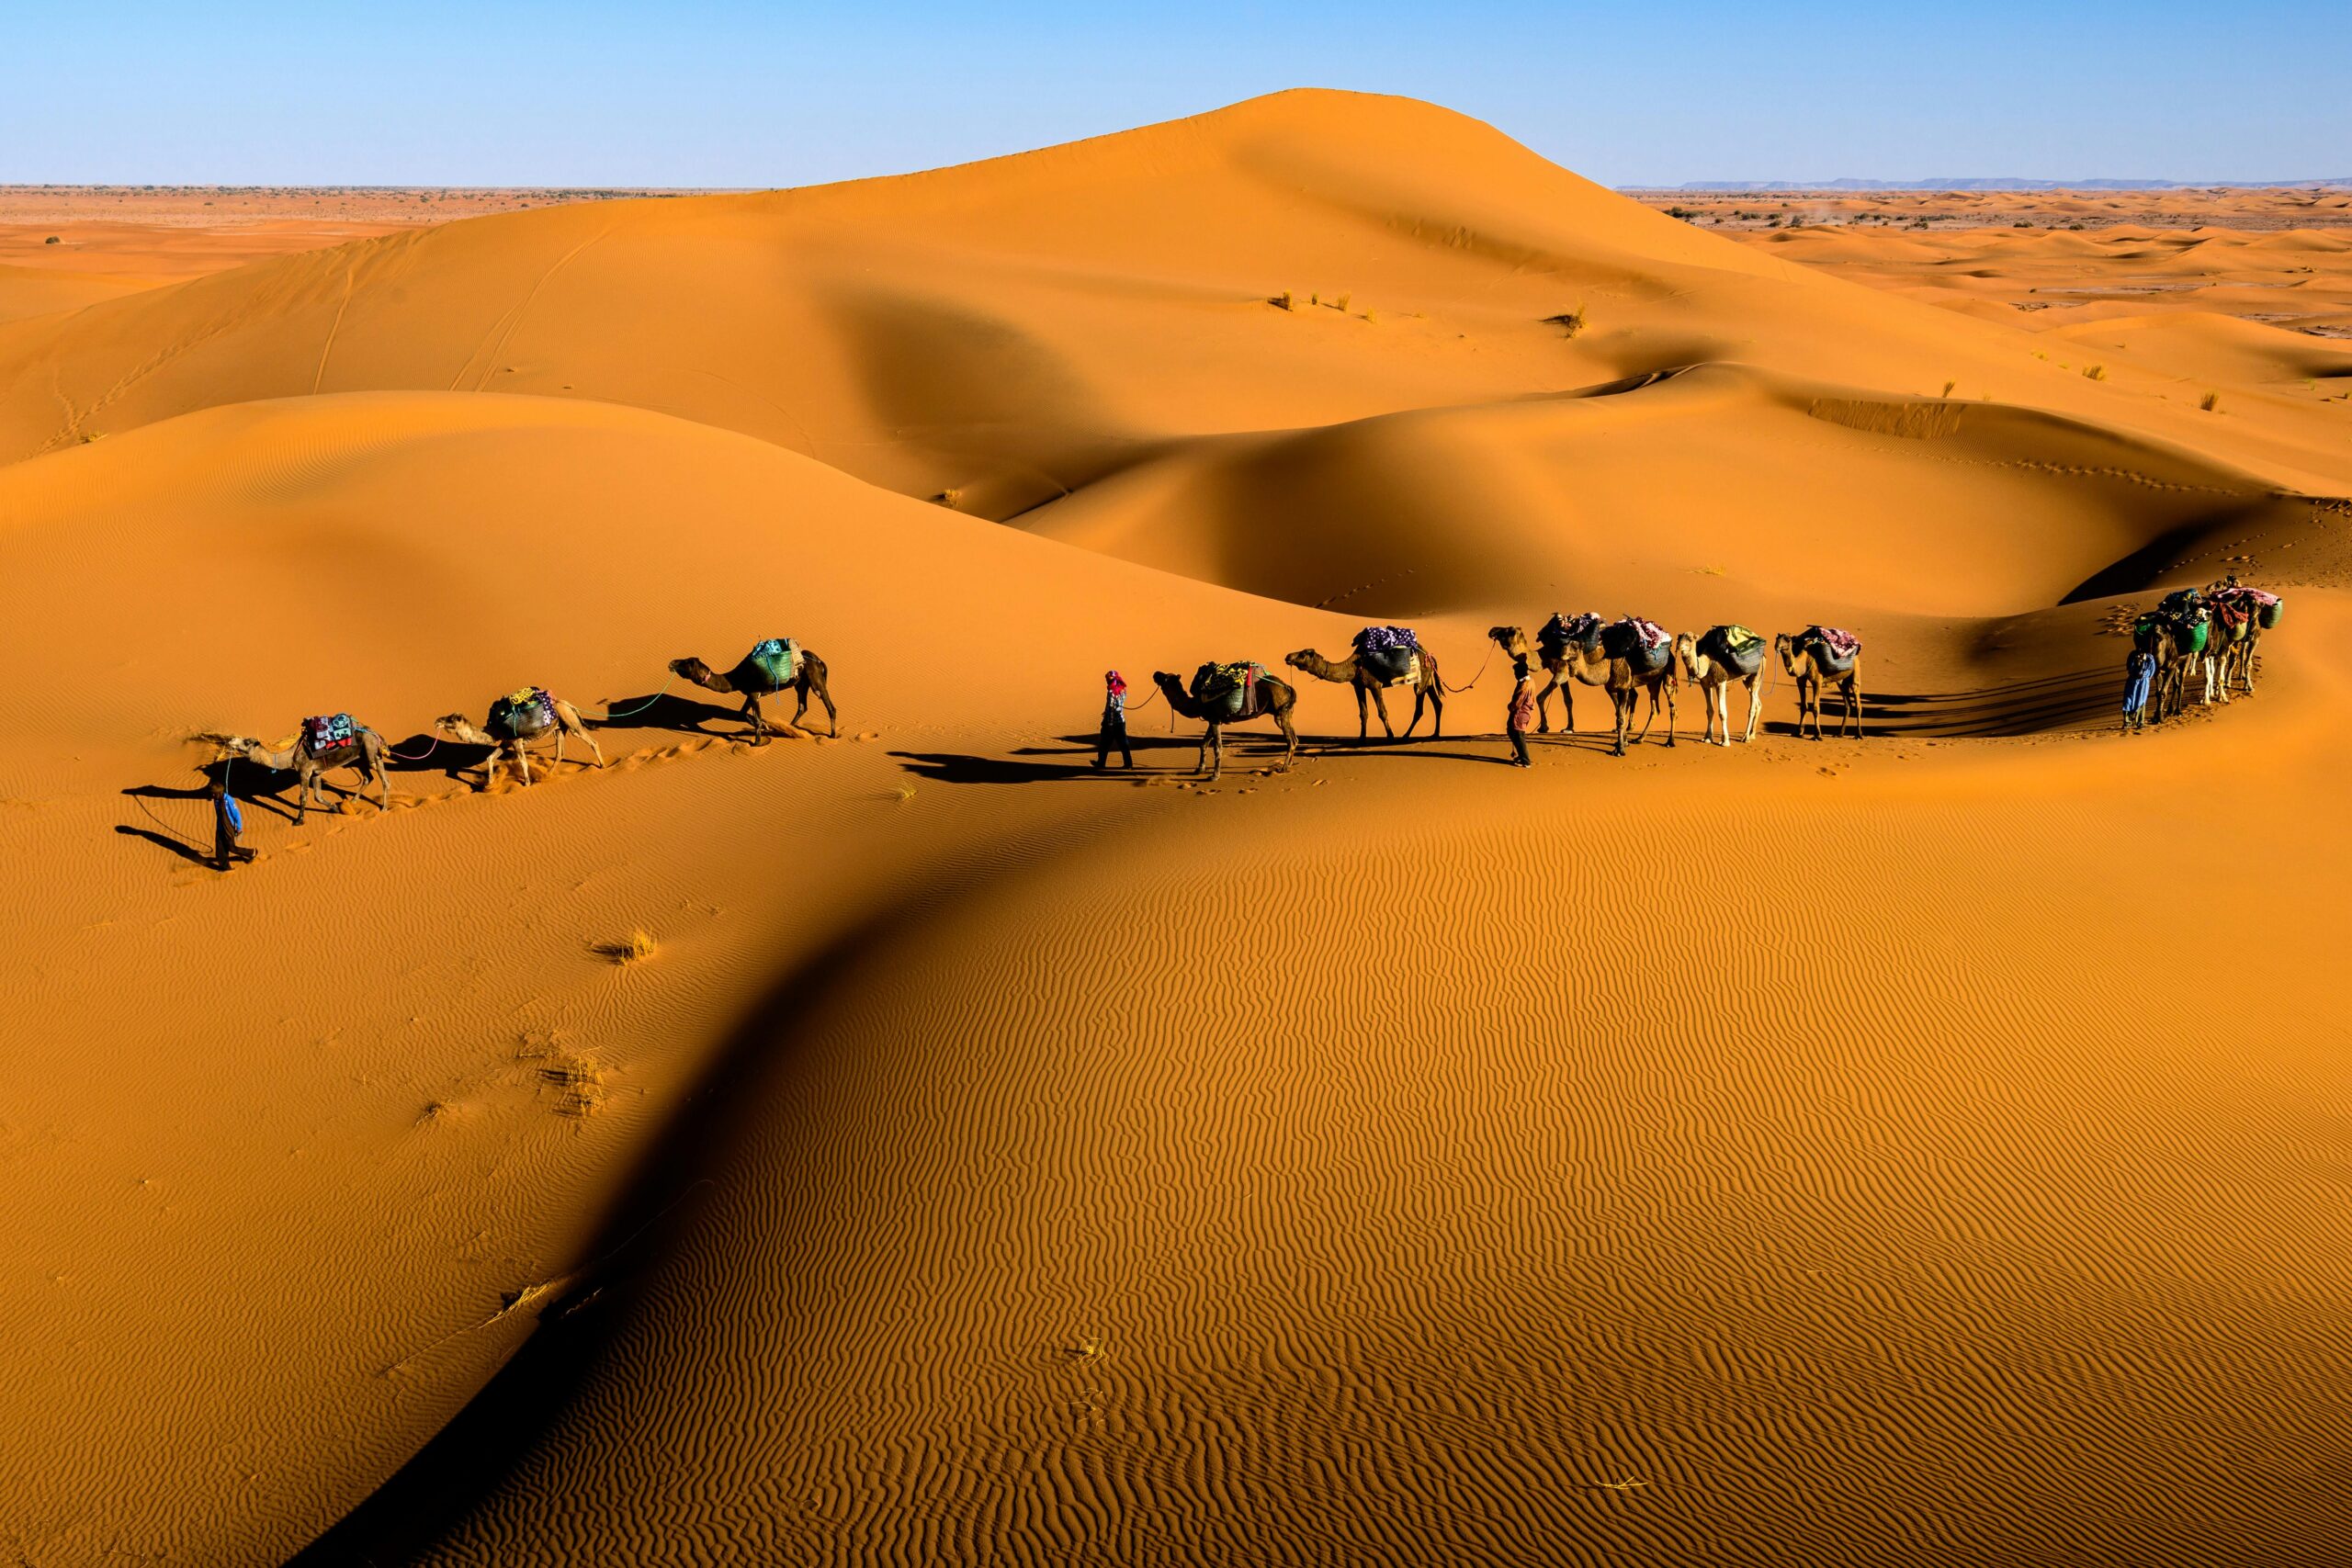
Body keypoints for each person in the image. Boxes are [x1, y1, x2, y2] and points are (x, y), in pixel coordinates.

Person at [209, 775, 255, 870]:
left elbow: (237, 814)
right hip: (220, 828)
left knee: (231, 848)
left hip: (228, 828)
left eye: (214, 794)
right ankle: (226, 867)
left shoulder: (228, 800)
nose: (212, 795)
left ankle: (251, 853)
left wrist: (239, 828)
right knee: (220, 850)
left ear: (219, 792)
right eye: (212, 794)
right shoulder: (216, 799)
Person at [1094, 670, 1134, 771]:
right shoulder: (1123, 689)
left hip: (1111, 723)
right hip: (1121, 721)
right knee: (1123, 744)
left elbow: (1111, 707)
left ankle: (1100, 764)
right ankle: (1128, 764)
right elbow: (1116, 705)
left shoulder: (1111, 691)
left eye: (1108, 679)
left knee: (1104, 744)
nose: (1107, 681)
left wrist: (1110, 723)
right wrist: (1106, 711)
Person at [1506, 653, 1535, 767]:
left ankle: (1526, 760)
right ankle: (1522, 756)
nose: (1514, 674)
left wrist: (1510, 707)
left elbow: (1517, 702)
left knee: (1518, 735)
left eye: (1515, 672)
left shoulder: (1524, 685)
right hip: (1524, 713)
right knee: (1516, 733)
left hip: (1520, 713)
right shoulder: (1531, 681)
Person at [2122, 647, 2155, 733]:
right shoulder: (2132, 655)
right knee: (2128, 701)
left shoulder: (2150, 658)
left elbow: (2151, 672)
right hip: (2132, 681)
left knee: (2141, 701)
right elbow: (2129, 668)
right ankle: (2127, 722)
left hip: (2143, 683)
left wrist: (2144, 674)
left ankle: (2140, 722)